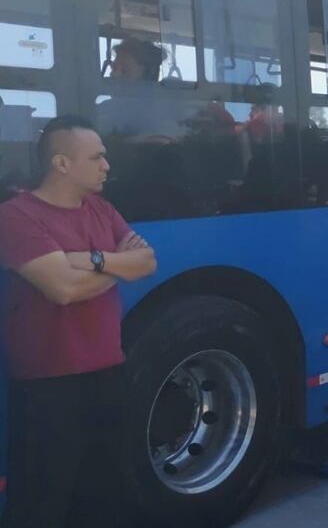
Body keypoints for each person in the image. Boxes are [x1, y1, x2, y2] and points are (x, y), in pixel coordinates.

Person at [0, 115, 157, 527]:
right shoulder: (16, 216)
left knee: (104, 495)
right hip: (48, 385)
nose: (107, 165)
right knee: (42, 502)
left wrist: (91, 259)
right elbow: (63, 289)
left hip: (108, 373)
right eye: (97, 157)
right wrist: (120, 266)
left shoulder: (101, 208)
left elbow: (147, 262)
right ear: (61, 164)